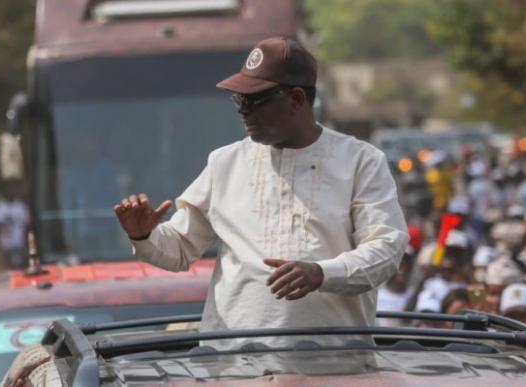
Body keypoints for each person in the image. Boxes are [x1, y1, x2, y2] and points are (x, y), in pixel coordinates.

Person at [114, 37, 409, 347]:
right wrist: (143, 235)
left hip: (335, 365)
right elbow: (180, 248)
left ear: (296, 100)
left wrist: (322, 273)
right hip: (233, 366)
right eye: (238, 99)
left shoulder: (360, 161)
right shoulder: (225, 162)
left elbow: (386, 249)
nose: (243, 111)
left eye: (255, 100)